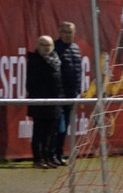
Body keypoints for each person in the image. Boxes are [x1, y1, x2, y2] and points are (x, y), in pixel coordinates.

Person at [25, 35, 63, 169]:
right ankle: (38, 159)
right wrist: (40, 98)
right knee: (39, 132)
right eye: (43, 45)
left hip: (54, 102)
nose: (46, 48)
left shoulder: (56, 60)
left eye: (48, 45)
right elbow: (30, 83)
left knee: (51, 133)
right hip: (40, 102)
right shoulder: (34, 60)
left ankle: (48, 157)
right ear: (38, 46)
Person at [53, 21, 83, 165]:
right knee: (57, 126)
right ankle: (52, 154)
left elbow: (78, 72)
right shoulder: (55, 47)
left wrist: (78, 90)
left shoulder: (76, 48)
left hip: (71, 95)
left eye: (70, 32)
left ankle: (59, 154)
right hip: (58, 95)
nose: (67, 35)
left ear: (74, 33)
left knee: (65, 127)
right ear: (60, 32)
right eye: (65, 32)